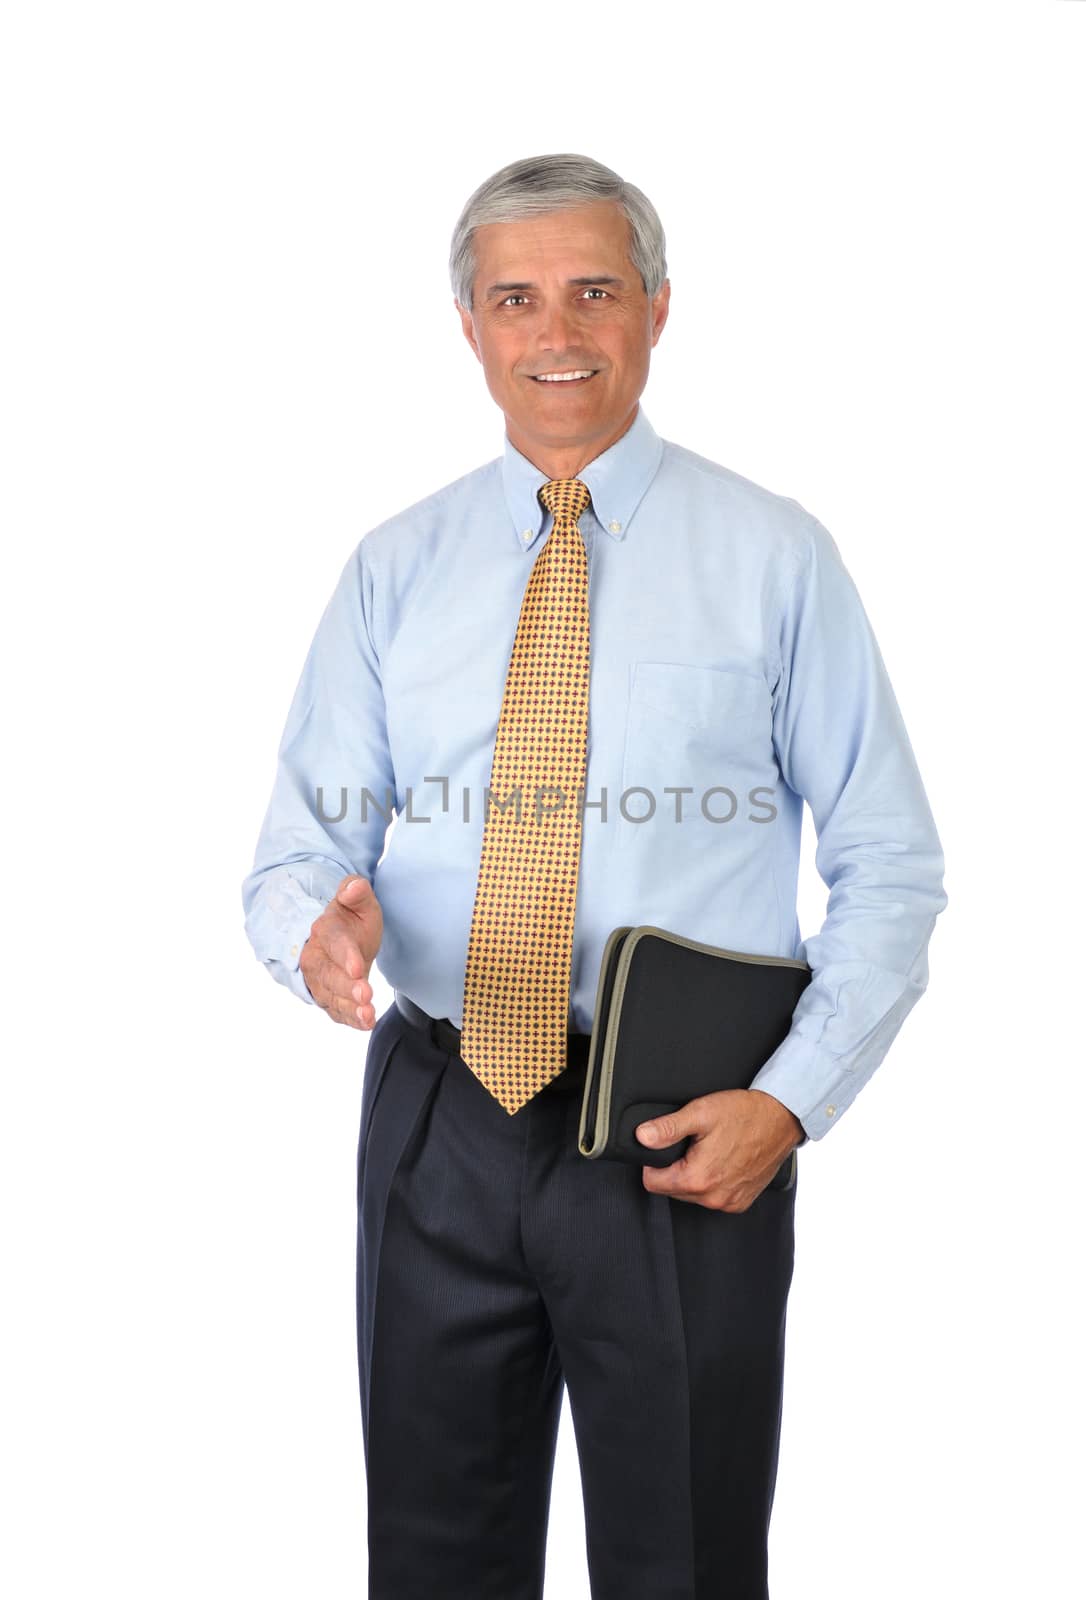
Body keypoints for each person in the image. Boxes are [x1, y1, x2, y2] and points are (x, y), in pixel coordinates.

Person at [242, 151, 948, 1600]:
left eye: (591, 292)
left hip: (683, 1128)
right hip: (440, 1117)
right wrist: (311, 932)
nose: (554, 333)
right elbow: (300, 846)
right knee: (434, 1561)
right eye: (514, 299)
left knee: (678, 1560)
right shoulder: (395, 566)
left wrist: (788, 1104)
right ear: (469, 328)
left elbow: (888, 862)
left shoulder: (771, 555)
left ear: (656, 310)